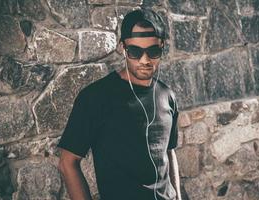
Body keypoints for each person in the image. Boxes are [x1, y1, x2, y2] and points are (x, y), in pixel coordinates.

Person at [57, 8, 181, 200]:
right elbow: (67, 163)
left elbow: (169, 152)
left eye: (153, 51)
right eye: (135, 52)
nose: (145, 60)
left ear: (162, 46)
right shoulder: (95, 97)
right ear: (123, 48)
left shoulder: (167, 95)